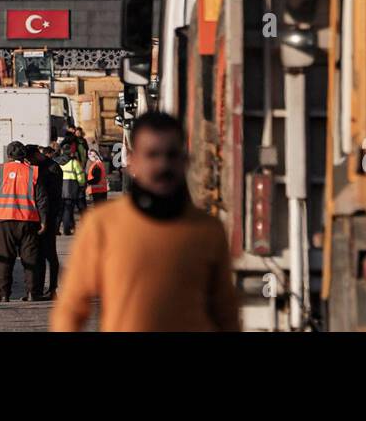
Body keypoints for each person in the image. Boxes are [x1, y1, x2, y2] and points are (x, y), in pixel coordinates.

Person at [51, 111, 239, 332]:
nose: (162, 165)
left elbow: (226, 313)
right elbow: (71, 309)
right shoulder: (102, 225)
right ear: (132, 162)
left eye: (171, 155)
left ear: (185, 161)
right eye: (152, 155)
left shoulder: (208, 230)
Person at [0, 141, 49, 303]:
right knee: (30, 259)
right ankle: (32, 293)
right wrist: (44, 220)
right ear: (24, 155)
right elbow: (41, 198)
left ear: (8, 155)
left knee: (4, 259)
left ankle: (3, 295)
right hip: (28, 220)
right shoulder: (33, 172)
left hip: (3, 221)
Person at [27, 144, 63, 300]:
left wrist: (48, 219)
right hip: (36, 216)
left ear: (36, 155)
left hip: (49, 216)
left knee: (50, 254)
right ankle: (38, 290)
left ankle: (53, 288)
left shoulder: (52, 168)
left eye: (30, 159)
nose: (28, 162)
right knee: (38, 255)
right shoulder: (37, 167)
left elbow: (52, 197)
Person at [57, 140, 85, 235]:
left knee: (62, 209)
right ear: (70, 152)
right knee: (68, 210)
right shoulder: (74, 162)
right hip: (71, 187)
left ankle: (65, 227)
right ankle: (67, 229)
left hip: (60, 187)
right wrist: (82, 185)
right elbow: (80, 176)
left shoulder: (57, 161)